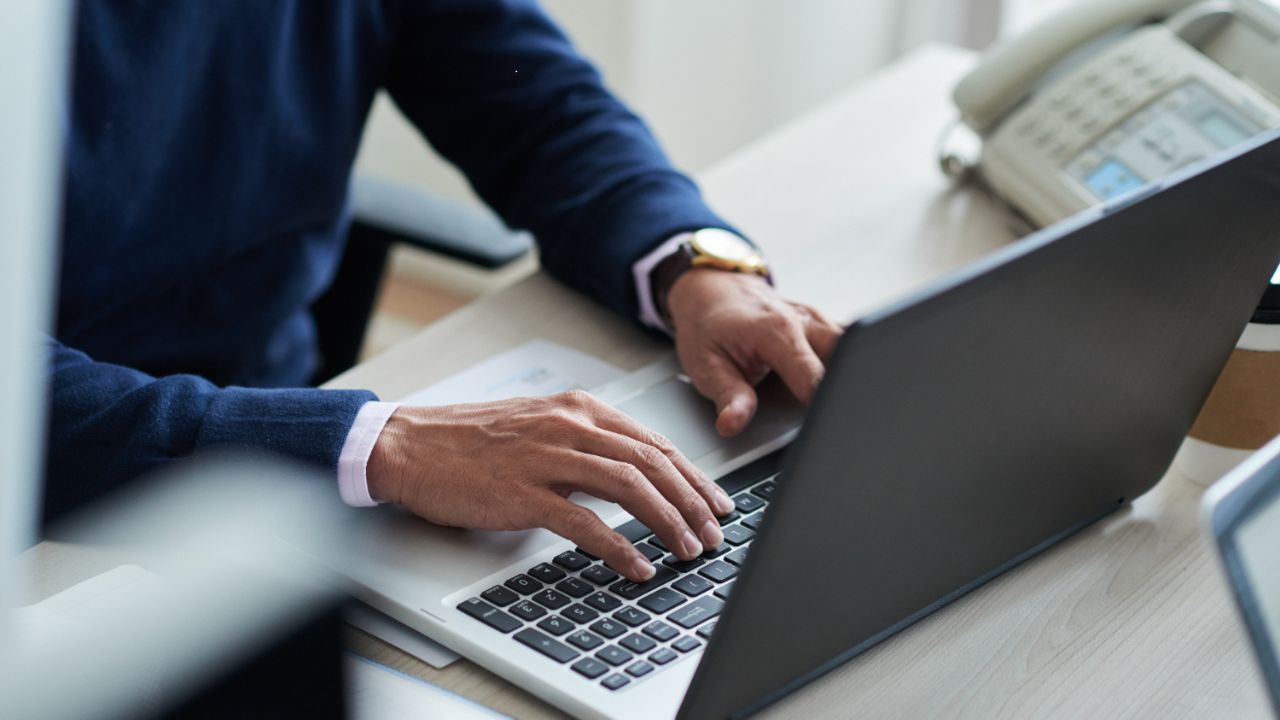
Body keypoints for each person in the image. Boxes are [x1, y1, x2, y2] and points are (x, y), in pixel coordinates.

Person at [47, 0, 842, 582]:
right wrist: (375, 445)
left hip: (272, 427)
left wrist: (693, 268)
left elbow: (540, 107)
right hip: (64, 496)